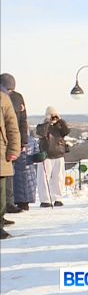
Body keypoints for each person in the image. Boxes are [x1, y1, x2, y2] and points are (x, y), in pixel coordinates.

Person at [1, 74, 26, 214]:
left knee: (8, 176)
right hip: (4, 141)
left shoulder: (17, 98)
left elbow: (20, 122)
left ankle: (8, 203)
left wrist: (23, 141)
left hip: (9, 143)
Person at [35, 106, 69, 208]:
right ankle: (45, 199)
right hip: (46, 155)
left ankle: (58, 198)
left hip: (59, 154)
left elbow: (66, 131)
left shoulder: (59, 127)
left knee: (59, 177)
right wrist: (47, 122)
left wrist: (60, 120)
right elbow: (41, 133)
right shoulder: (42, 126)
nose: (53, 118)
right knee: (43, 178)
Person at [1, 90, 21, 239]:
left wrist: (13, 149)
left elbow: (12, 126)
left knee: (1, 194)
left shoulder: (3, 98)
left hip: (1, 153)